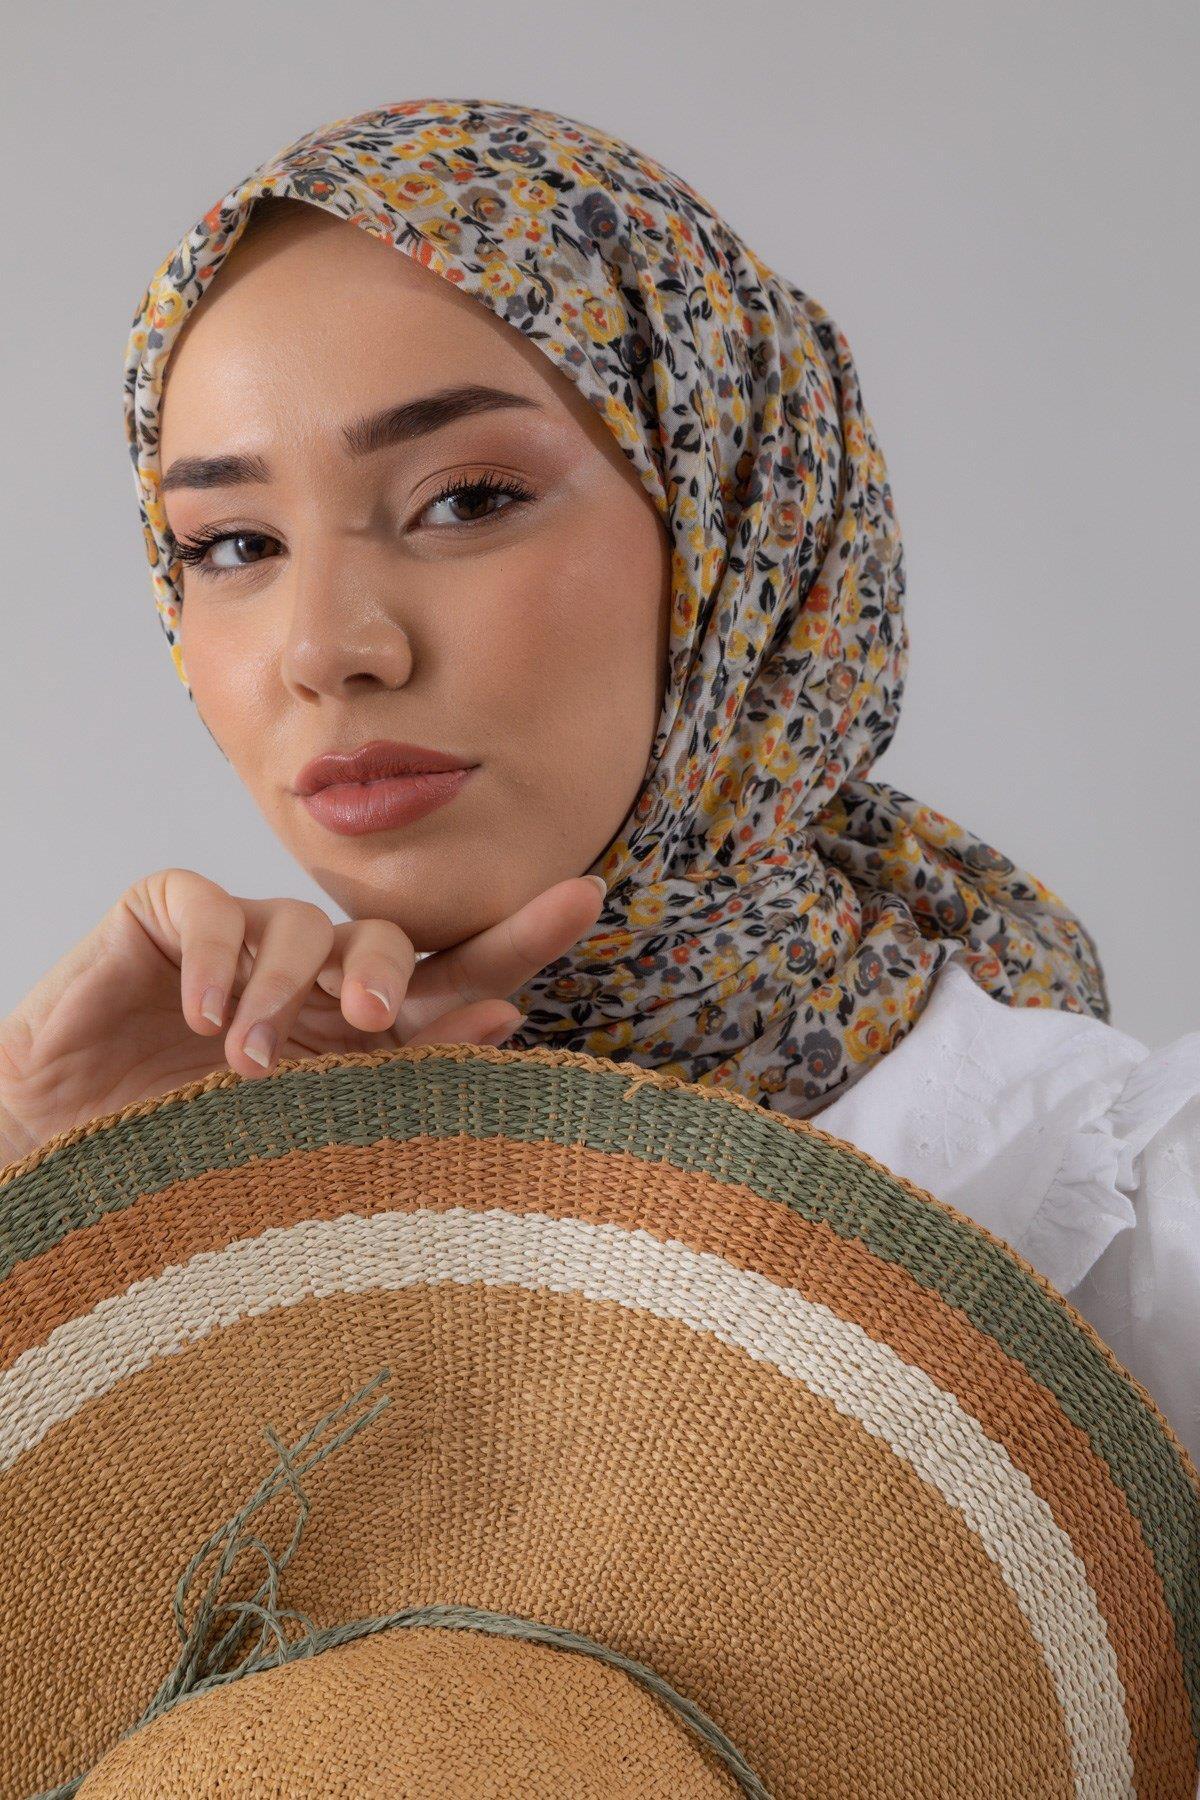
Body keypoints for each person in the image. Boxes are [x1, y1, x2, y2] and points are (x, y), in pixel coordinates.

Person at [1, 98, 1195, 1468]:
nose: (325, 650)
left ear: (739, 528)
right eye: (232, 545)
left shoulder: (1129, 1221)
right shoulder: (225, 1177)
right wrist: (60, 1202)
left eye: (467, 499)